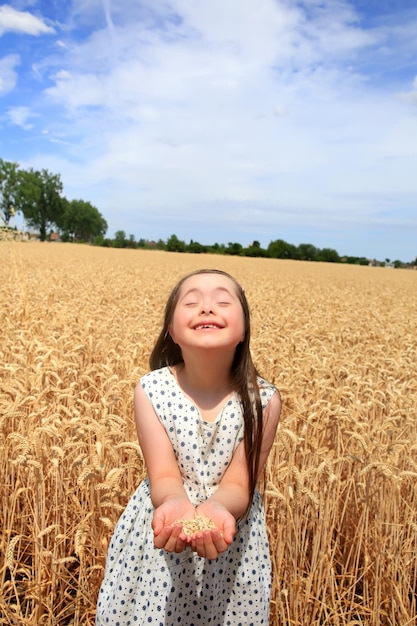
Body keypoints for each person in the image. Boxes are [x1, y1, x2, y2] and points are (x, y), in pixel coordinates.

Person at [95, 268, 282, 626]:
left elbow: (239, 484)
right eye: (192, 302)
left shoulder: (263, 401)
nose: (207, 308)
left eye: (223, 301)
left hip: (231, 538)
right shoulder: (152, 390)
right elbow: (163, 474)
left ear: (243, 331)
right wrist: (175, 503)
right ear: (171, 331)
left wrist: (215, 508)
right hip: (161, 534)